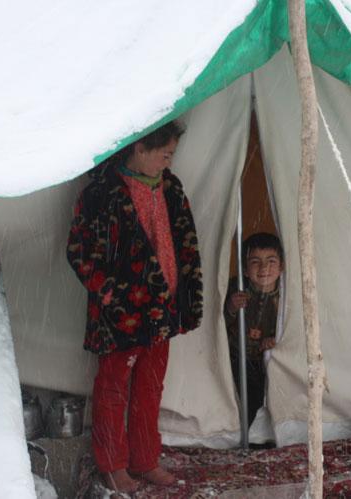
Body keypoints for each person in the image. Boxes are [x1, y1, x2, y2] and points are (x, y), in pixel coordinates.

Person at [66, 120, 203, 493]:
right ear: (139, 148)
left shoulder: (170, 187)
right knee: (113, 389)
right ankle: (113, 465)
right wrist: (110, 293)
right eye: (164, 153)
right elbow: (78, 251)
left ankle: (145, 461)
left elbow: (184, 240)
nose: (168, 161)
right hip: (122, 314)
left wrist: (185, 292)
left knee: (150, 387)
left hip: (163, 309)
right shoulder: (102, 194)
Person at [224, 232, 283, 427]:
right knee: (242, 396)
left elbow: (295, 327)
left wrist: (276, 339)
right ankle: (244, 431)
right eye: (255, 262)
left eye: (271, 261)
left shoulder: (286, 296)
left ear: (281, 267)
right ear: (245, 270)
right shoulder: (235, 288)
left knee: (270, 396)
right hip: (238, 358)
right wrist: (231, 308)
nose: (264, 267)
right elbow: (216, 324)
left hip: (269, 361)